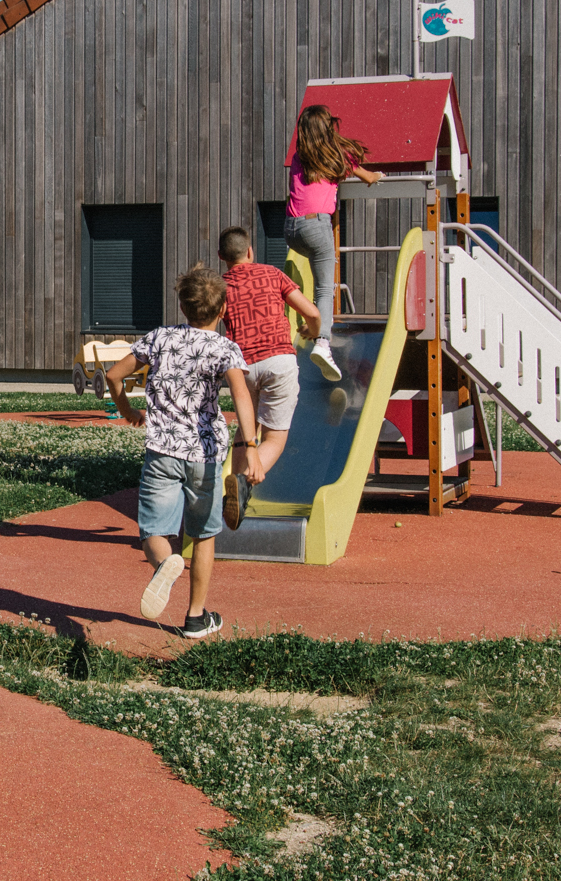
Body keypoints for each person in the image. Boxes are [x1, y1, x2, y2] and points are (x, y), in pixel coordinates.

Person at [105, 265, 264, 640]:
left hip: (162, 451)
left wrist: (129, 411)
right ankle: (195, 618)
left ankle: (163, 565)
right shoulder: (225, 348)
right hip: (205, 455)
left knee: (154, 532)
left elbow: (113, 376)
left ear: (182, 306)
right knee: (204, 535)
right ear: (223, 310)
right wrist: (251, 447)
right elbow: (242, 397)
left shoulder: (160, 338)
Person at [215, 225, 325, 527]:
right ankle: (245, 483)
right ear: (250, 251)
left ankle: (233, 489)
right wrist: (311, 332)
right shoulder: (273, 274)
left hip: (242, 366)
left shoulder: (219, 286)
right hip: (279, 360)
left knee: (246, 428)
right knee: (275, 437)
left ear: (222, 256)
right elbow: (313, 314)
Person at [284, 103, 383, 381]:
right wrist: (375, 176)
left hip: (291, 229)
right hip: (316, 224)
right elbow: (367, 176)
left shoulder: (298, 157)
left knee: (311, 281)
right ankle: (323, 342)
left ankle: (310, 325)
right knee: (325, 288)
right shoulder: (338, 156)